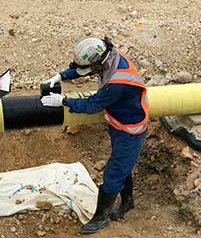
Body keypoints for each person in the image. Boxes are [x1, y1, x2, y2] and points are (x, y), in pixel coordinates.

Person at [41, 36, 149, 234]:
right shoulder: (110, 58)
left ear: (101, 63)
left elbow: (92, 105)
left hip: (130, 131)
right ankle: (128, 202)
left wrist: (64, 101)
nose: (90, 74)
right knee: (123, 166)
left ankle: (101, 217)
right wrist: (61, 76)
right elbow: (85, 68)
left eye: (92, 69)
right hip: (119, 124)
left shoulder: (117, 82)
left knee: (113, 173)